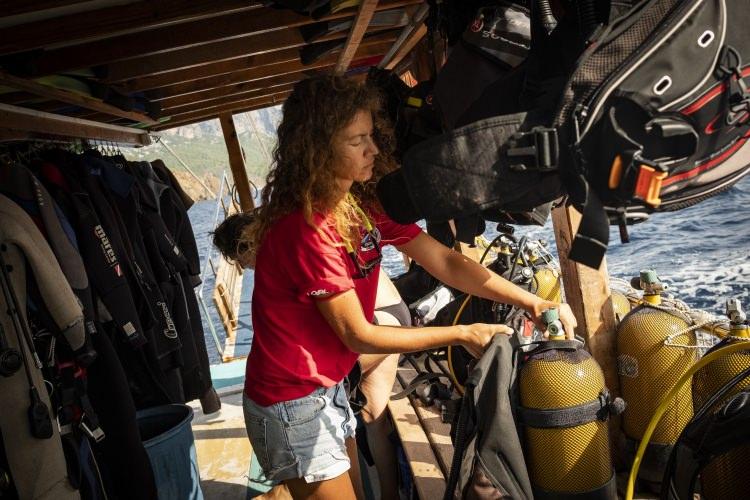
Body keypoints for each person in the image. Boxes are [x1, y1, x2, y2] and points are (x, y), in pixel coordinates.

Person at [237, 75, 576, 500]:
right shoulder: (307, 229)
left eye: (371, 136)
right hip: (291, 400)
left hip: (326, 387)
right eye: (357, 140)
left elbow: (447, 262)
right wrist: (462, 333)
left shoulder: (359, 207)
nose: (374, 150)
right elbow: (358, 334)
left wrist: (533, 300)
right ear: (317, 148)